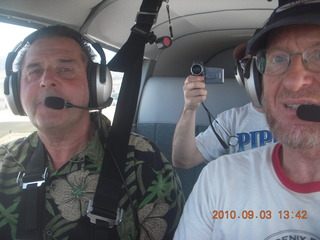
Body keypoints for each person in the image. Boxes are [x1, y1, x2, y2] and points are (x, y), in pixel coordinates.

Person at [0, 25, 184, 240]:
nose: (45, 80)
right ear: (14, 90)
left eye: (65, 69)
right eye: (34, 71)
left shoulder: (143, 162)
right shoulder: (5, 161)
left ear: (96, 85)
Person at [174, 1, 320, 239]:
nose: (294, 81)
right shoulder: (221, 169)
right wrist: (190, 109)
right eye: (277, 59)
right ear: (255, 77)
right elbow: (183, 160)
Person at [172, 42, 276, 169]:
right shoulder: (230, 120)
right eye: (246, 63)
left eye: (261, 61)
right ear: (240, 73)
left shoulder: (301, 114)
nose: (254, 70)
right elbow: (183, 160)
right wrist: (189, 108)